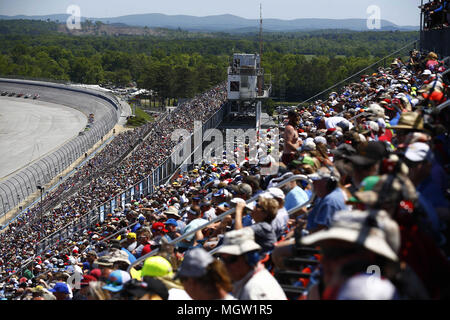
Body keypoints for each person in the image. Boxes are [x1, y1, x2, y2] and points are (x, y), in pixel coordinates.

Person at [216, 228, 287, 300]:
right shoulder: (248, 278)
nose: (225, 265)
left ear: (249, 258)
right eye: (223, 259)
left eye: (231, 259)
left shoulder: (254, 289)